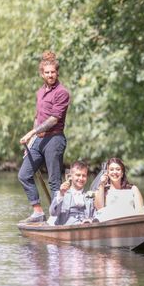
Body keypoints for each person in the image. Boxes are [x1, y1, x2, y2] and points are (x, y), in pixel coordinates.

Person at [18, 51, 70, 223]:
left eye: (53, 72)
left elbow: (53, 119)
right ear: (42, 74)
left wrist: (31, 133)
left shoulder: (62, 93)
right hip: (39, 140)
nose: (50, 75)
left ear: (57, 72)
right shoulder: (40, 92)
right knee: (24, 175)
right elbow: (37, 117)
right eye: (47, 72)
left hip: (54, 139)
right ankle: (38, 211)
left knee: (54, 181)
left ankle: (58, 217)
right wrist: (33, 140)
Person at [94, 157, 144, 222]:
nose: (115, 172)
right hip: (110, 223)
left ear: (122, 173)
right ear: (108, 173)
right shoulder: (102, 190)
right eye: (111, 169)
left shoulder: (133, 189)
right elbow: (99, 209)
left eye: (118, 169)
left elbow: (140, 211)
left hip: (130, 222)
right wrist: (102, 184)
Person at [49, 161, 95, 226]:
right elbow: (53, 213)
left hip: (86, 227)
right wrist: (61, 194)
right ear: (70, 176)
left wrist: (91, 220)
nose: (81, 178)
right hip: (67, 228)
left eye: (84, 175)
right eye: (78, 175)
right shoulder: (61, 194)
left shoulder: (89, 196)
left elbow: (95, 215)